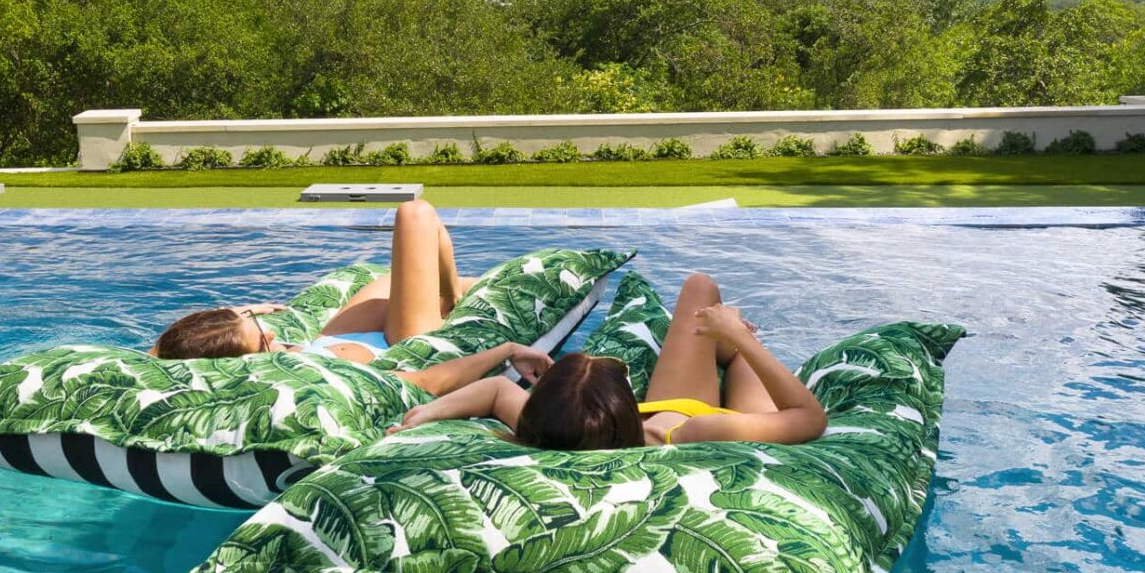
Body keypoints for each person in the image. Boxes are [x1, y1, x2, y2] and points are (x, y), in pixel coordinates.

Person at [391, 273, 828, 448]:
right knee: (739, 354)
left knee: (699, 289)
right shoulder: (697, 432)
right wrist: (740, 339)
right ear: (621, 407)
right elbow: (808, 417)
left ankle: (723, 340)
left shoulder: (554, 432)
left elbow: (495, 390)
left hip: (659, 410)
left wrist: (423, 415)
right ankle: (731, 343)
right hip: (689, 414)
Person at [153, 199, 477, 365]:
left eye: (256, 323)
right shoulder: (282, 374)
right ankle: (450, 297)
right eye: (263, 342)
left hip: (329, 339)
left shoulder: (272, 353)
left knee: (406, 268)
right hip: (403, 344)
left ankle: (449, 295)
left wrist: (239, 313)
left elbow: (157, 353)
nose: (272, 330)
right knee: (414, 214)